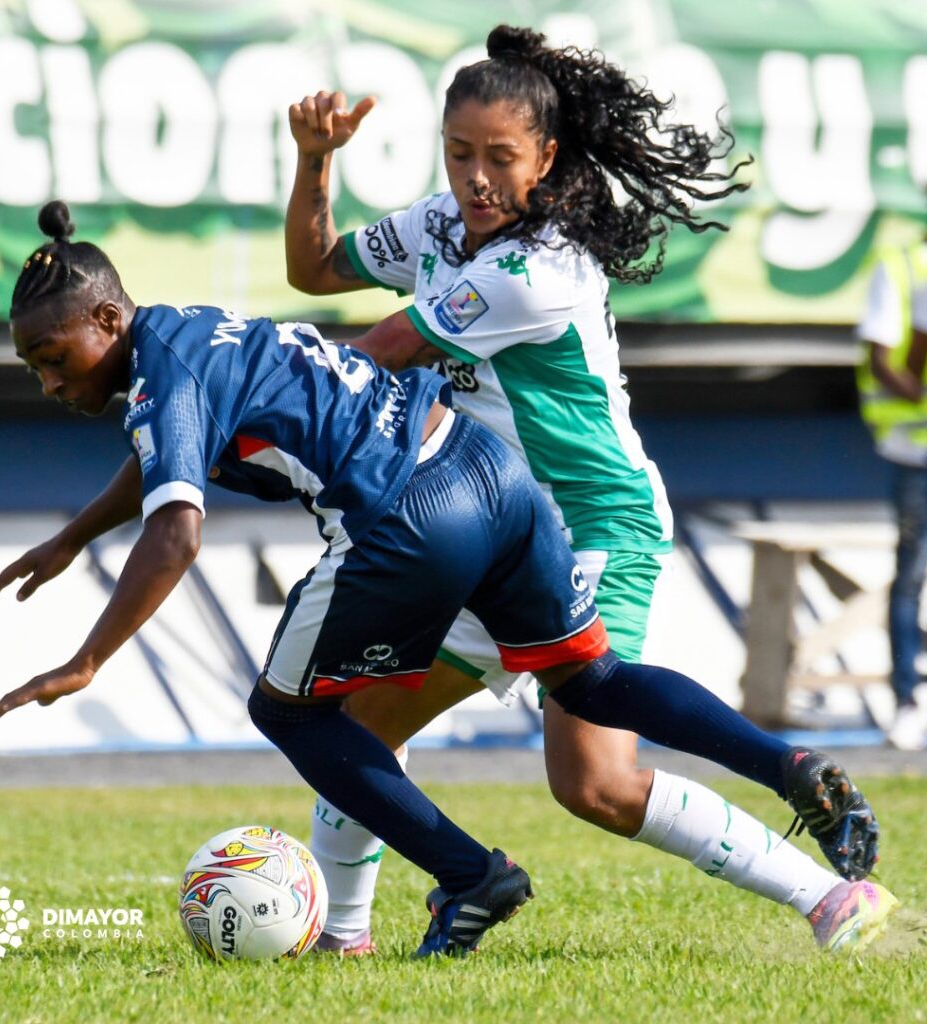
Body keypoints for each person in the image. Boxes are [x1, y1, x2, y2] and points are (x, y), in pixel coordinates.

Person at [0, 200, 886, 959]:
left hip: (405, 516)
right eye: (32, 368)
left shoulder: (163, 376)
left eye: (53, 357)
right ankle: (788, 766)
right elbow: (164, 456)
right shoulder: (188, 334)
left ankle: (470, 877)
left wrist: (88, 660)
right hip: (488, 471)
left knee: (289, 713)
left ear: (108, 320)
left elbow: (176, 534)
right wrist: (72, 538)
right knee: (591, 680)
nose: (49, 382)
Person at [284, 24, 895, 955]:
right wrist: (315, 162)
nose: (476, 178)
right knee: (360, 721)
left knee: (596, 784)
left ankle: (832, 896)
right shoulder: (441, 225)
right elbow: (314, 268)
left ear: (547, 158)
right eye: (459, 152)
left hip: (592, 522)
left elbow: (383, 349)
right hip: (488, 529)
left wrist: (255, 389)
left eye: (500, 157)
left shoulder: (540, 268)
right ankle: (342, 941)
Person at [857, 229, 927, 751]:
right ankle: (908, 700)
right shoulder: (905, 265)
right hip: (914, 453)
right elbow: (888, 361)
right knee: (911, 578)